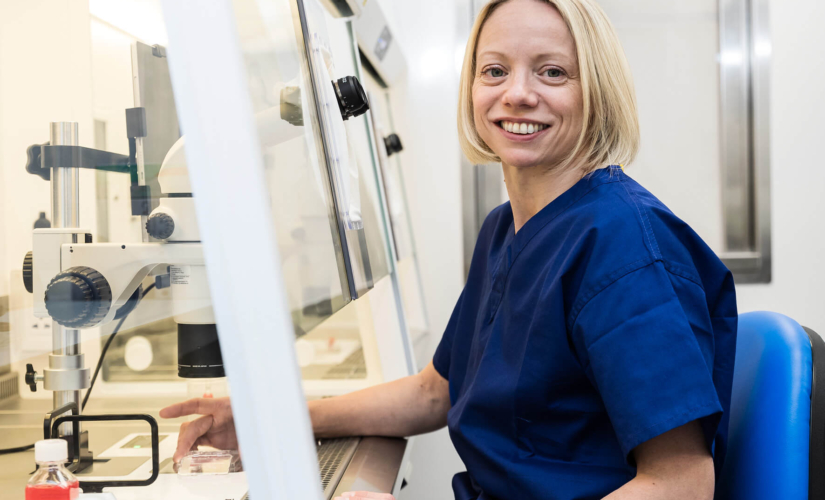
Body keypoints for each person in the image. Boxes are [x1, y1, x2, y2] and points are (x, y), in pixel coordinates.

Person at [160, 0, 738, 498]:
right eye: (494, 71)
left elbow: (683, 484)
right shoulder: (504, 229)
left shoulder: (621, 245)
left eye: (553, 72)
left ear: (597, 90)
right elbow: (435, 390)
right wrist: (269, 420)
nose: (518, 94)